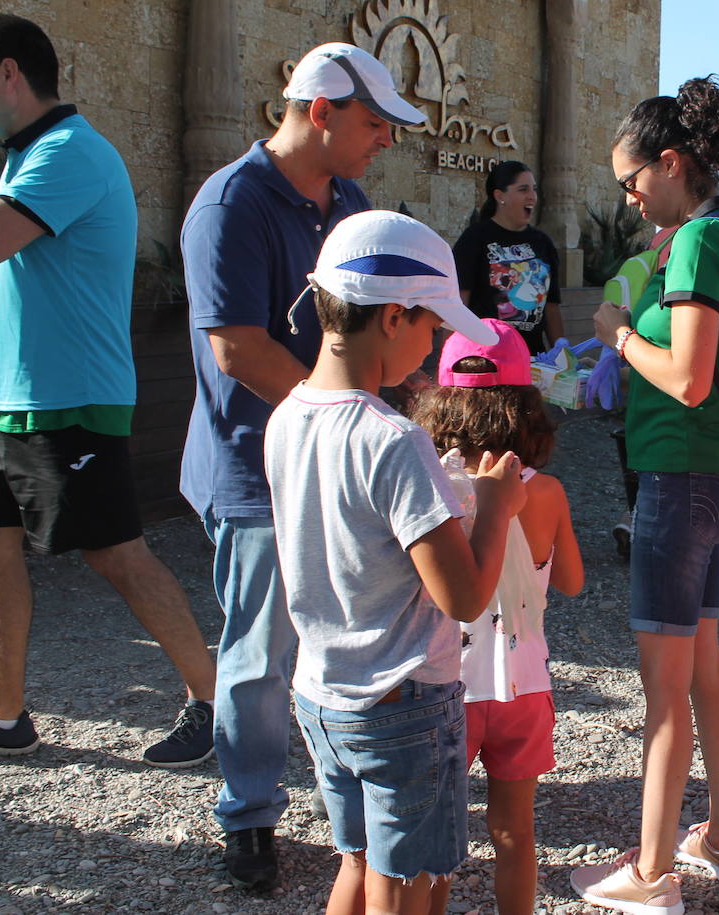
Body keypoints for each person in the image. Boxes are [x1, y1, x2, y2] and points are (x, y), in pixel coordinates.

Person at [180, 41, 420, 890]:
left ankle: (348, 794)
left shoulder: (349, 198)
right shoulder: (230, 203)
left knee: (350, 635)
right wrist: (343, 416)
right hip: (257, 469)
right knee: (259, 654)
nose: (385, 139)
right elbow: (237, 346)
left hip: (335, 457)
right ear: (320, 111)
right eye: (374, 121)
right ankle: (248, 815)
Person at [0, 13, 217, 766]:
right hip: (8, 402)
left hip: (72, 404)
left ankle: (213, 702)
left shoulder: (69, 152)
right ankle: (4, 713)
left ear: (10, 74)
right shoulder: (19, 159)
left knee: (117, 555)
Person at [265, 210, 523, 915]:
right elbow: (464, 596)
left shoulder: (286, 415)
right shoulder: (395, 439)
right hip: (403, 704)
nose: (434, 340)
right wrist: (496, 506)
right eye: (432, 325)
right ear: (394, 316)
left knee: (357, 861)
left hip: (323, 695)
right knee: (409, 883)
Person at [570, 75, 719, 915]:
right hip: (717, 478)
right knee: (705, 670)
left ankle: (651, 872)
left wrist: (615, 332)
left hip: (678, 479)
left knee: (664, 687)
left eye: (631, 178)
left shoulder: (691, 246)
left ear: (672, 161)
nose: (628, 195)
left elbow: (687, 377)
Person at [411, 318, 584, 915]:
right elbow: (571, 582)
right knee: (515, 830)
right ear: (527, 408)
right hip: (523, 684)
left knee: (438, 837)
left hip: (444, 681)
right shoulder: (549, 492)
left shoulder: (429, 488)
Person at [453, 161, 564, 355]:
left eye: (534, 189)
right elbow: (458, 305)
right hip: (486, 359)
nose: (532, 196)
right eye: (523, 189)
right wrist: (455, 359)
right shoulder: (474, 239)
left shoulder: (543, 242)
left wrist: (563, 354)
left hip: (534, 360)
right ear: (499, 196)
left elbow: (552, 308)